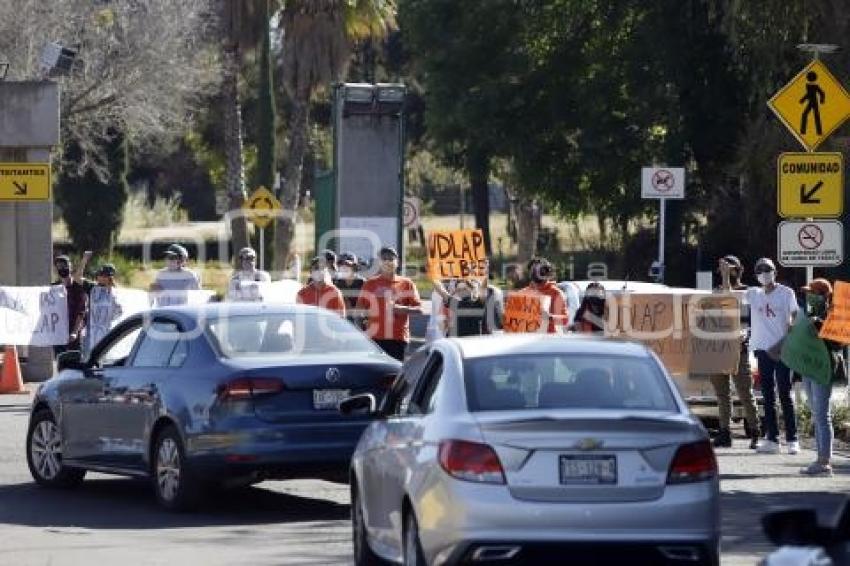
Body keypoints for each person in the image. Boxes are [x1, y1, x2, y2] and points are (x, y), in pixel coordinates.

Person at [723, 257, 798, 454]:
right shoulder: (753, 294)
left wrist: (782, 344)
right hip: (762, 350)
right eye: (760, 270)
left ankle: (792, 439)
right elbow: (728, 294)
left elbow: (795, 321)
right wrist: (725, 273)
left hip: (783, 350)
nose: (765, 273)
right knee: (768, 396)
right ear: (756, 275)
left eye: (768, 269)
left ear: (775, 272)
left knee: (784, 393)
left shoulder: (786, 293)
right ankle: (772, 439)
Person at [710, 255, 760, 449]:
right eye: (723, 269)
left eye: (730, 269)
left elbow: (733, 304)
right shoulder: (715, 292)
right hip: (717, 349)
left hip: (739, 349)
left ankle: (755, 431)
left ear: (739, 270)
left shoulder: (749, 292)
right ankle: (724, 432)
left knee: (745, 392)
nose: (727, 273)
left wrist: (747, 335)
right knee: (722, 394)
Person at [800, 278, 841, 476]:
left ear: (823, 295)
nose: (809, 296)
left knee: (823, 415)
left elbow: (838, 344)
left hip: (823, 369)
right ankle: (819, 459)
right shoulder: (810, 313)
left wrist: (821, 326)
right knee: (817, 415)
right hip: (809, 367)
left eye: (813, 292)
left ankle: (824, 462)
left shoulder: (835, 314)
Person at [355, 246, 422, 361]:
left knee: (396, 375)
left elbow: (419, 309)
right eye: (384, 259)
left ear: (397, 262)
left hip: (398, 339)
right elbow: (359, 311)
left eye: (391, 259)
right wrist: (362, 330)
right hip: (374, 339)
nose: (387, 262)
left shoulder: (407, 283)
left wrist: (399, 308)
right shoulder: (370, 283)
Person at [52, 252, 94, 355]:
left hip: (73, 335)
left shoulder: (78, 286)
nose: (61, 268)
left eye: (63, 265)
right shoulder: (53, 288)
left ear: (70, 267)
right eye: (58, 266)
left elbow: (81, 311)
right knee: (60, 364)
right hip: (58, 335)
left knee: (74, 364)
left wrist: (75, 332)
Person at [84, 264, 124, 355]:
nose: (99, 277)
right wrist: (84, 260)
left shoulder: (115, 293)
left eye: (103, 275)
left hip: (106, 332)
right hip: (90, 334)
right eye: (99, 274)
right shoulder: (92, 288)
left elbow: (119, 311)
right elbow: (77, 279)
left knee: (104, 356)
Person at [522, 257, 568, 333]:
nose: (538, 273)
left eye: (541, 270)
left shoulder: (556, 293)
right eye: (534, 270)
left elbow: (565, 319)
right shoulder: (523, 293)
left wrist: (549, 317)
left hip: (550, 341)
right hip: (528, 340)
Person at [334, 252, 366, 322]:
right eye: (341, 265)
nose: (343, 267)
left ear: (354, 267)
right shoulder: (337, 283)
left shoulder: (362, 283)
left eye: (347, 265)